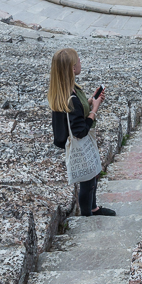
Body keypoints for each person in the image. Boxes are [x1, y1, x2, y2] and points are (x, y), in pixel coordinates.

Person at [49, 48, 116, 217]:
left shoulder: (67, 90)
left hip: (73, 140)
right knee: (88, 181)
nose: (80, 62)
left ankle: (93, 208)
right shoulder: (71, 98)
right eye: (78, 60)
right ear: (72, 68)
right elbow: (80, 131)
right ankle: (87, 215)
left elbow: (75, 113)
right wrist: (94, 109)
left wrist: (90, 101)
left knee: (92, 175)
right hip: (78, 143)